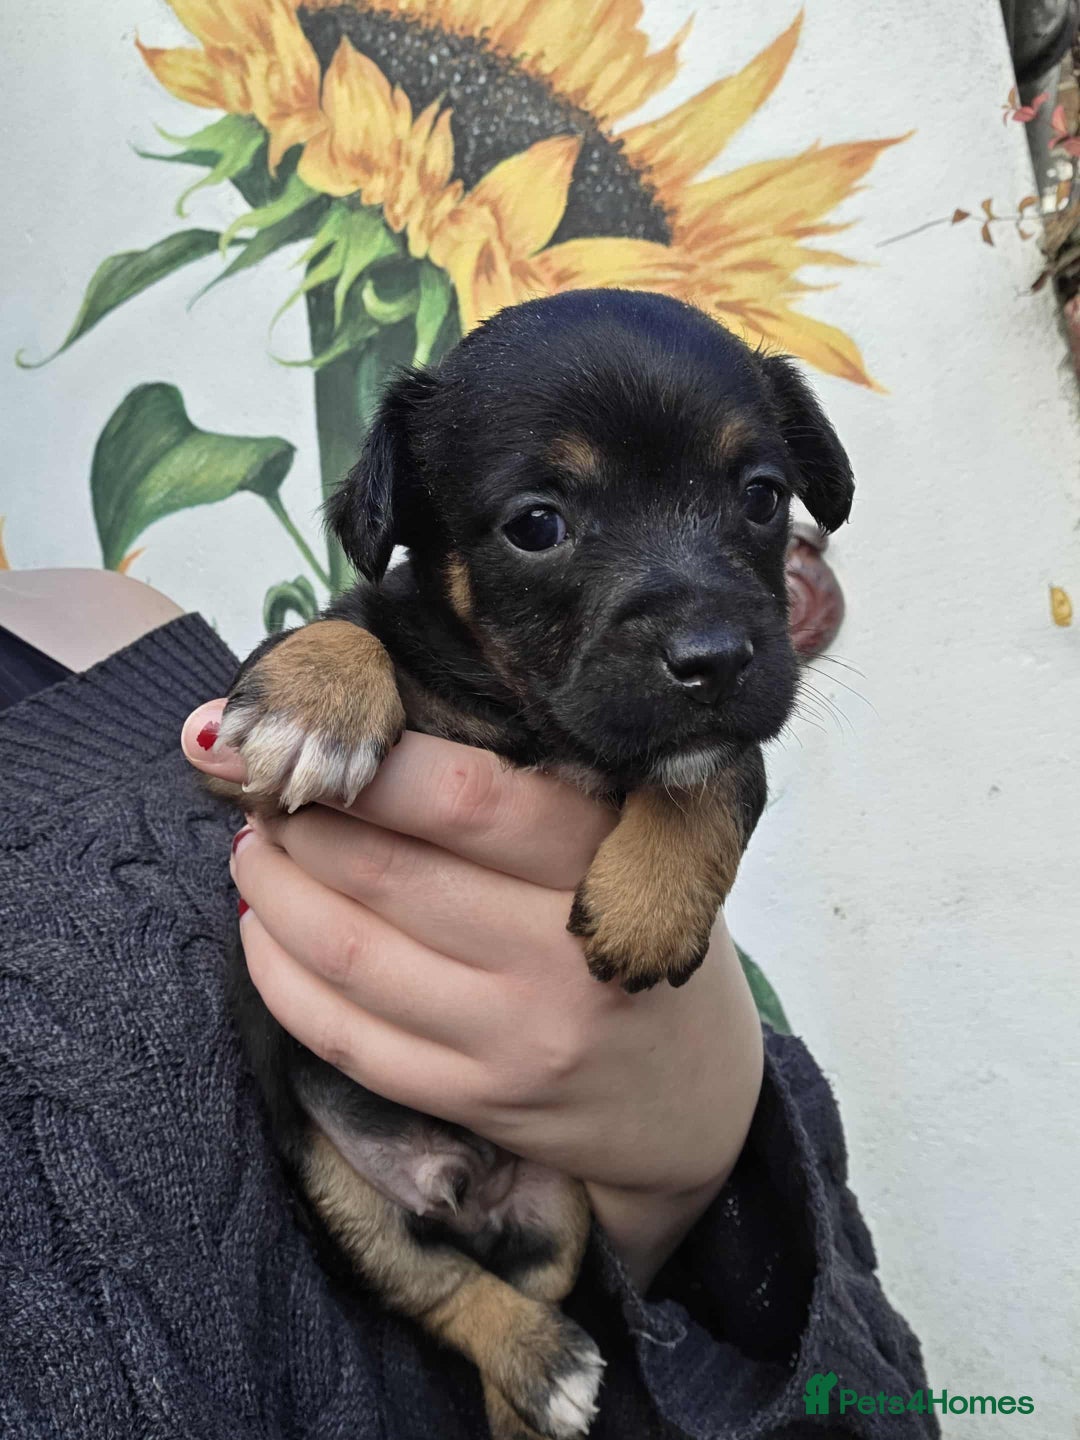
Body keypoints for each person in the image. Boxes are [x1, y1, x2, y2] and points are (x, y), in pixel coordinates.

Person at [0, 571, 937, 1438]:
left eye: (759, 502)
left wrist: (701, 1132)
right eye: (538, 523)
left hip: (579, 1229)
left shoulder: (105, 617)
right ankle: (484, 1324)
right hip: (368, 1191)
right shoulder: (383, 629)